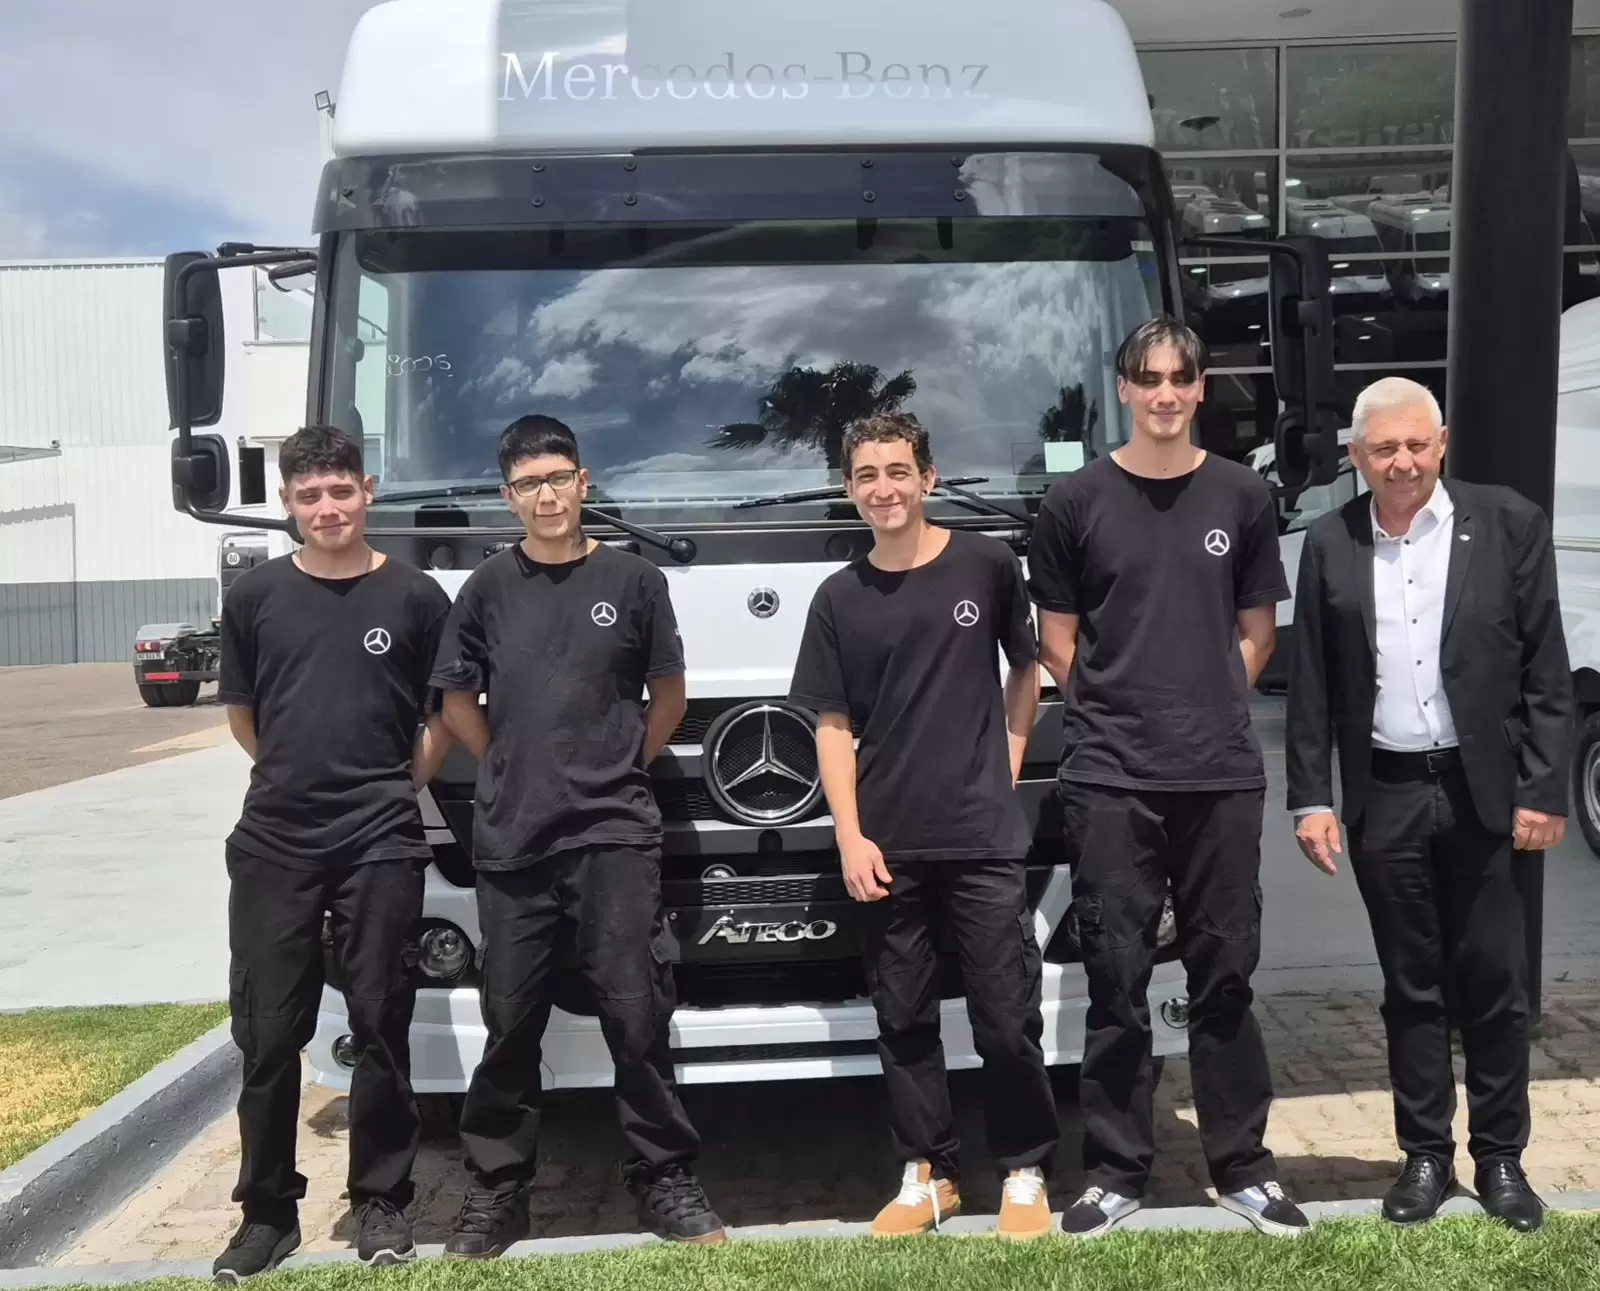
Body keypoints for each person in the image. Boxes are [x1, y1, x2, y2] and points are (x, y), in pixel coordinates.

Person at [1027, 317, 1310, 1238]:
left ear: (1199, 389)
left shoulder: (1241, 495)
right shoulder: (1074, 501)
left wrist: (1203, 702)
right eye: (1147, 378)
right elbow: (1058, 641)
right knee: (1115, 976)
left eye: (1180, 378)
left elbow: (1257, 632)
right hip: (1111, 775)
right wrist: (1122, 711)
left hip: (1219, 772)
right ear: (1123, 387)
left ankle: (1243, 1167)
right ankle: (1115, 1171)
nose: (1164, 393)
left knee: (1224, 971)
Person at [430, 414, 724, 1256]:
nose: (547, 495)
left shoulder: (634, 581)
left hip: (614, 835)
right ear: (508, 496)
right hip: (515, 839)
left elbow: (668, 695)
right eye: (529, 484)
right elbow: (456, 703)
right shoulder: (486, 588)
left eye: (559, 477)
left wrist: (619, 760)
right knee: (511, 1020)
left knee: (637, 1014)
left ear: (584, 482)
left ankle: (663, 1176)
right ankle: (499, 1191)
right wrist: (511, 760)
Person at [1286, 377, 1574, 1232]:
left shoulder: (1510, 523)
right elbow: (1311, 683)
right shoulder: (1330, 542)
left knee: (1495, 982)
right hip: (1387, 794)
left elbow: (1546, 669)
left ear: (1441, 442)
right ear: (1356, 456)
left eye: (1417, 444)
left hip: (1486, 794)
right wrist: (1311, 797)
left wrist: (1542, 787)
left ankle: (1501, 1157)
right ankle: (1424, 1155)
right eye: (1384, 449)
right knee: (1411, 985)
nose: (1403, 462)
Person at [787, 412, 1059, 1241]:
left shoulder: (986, 564)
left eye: (898, 471)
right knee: (903, 1018)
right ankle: (928, 1173)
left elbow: (1027, 669)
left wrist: (1006, 763)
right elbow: (831, 724)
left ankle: (1023, 1168)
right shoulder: (838, 598)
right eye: (867, 475)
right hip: (887, 842)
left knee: (1005, 1016)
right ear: (849, 489)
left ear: (928, 478)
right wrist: (848, 833)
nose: (885, 489)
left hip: (982, 837)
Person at [212, 425, 454, 1282]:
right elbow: (244, 714)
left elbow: (442, 718)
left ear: (367, 490)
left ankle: (381, 1200)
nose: (327, 508)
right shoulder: (254, 597)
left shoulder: (417, 596)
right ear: (287, 502)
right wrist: (296, 778)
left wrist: (391, 785)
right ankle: (267, 1213)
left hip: (381, 840)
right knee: (268, 1032)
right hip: (275, 841)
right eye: (309, 495)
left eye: (341, 490)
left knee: (382, 1021)